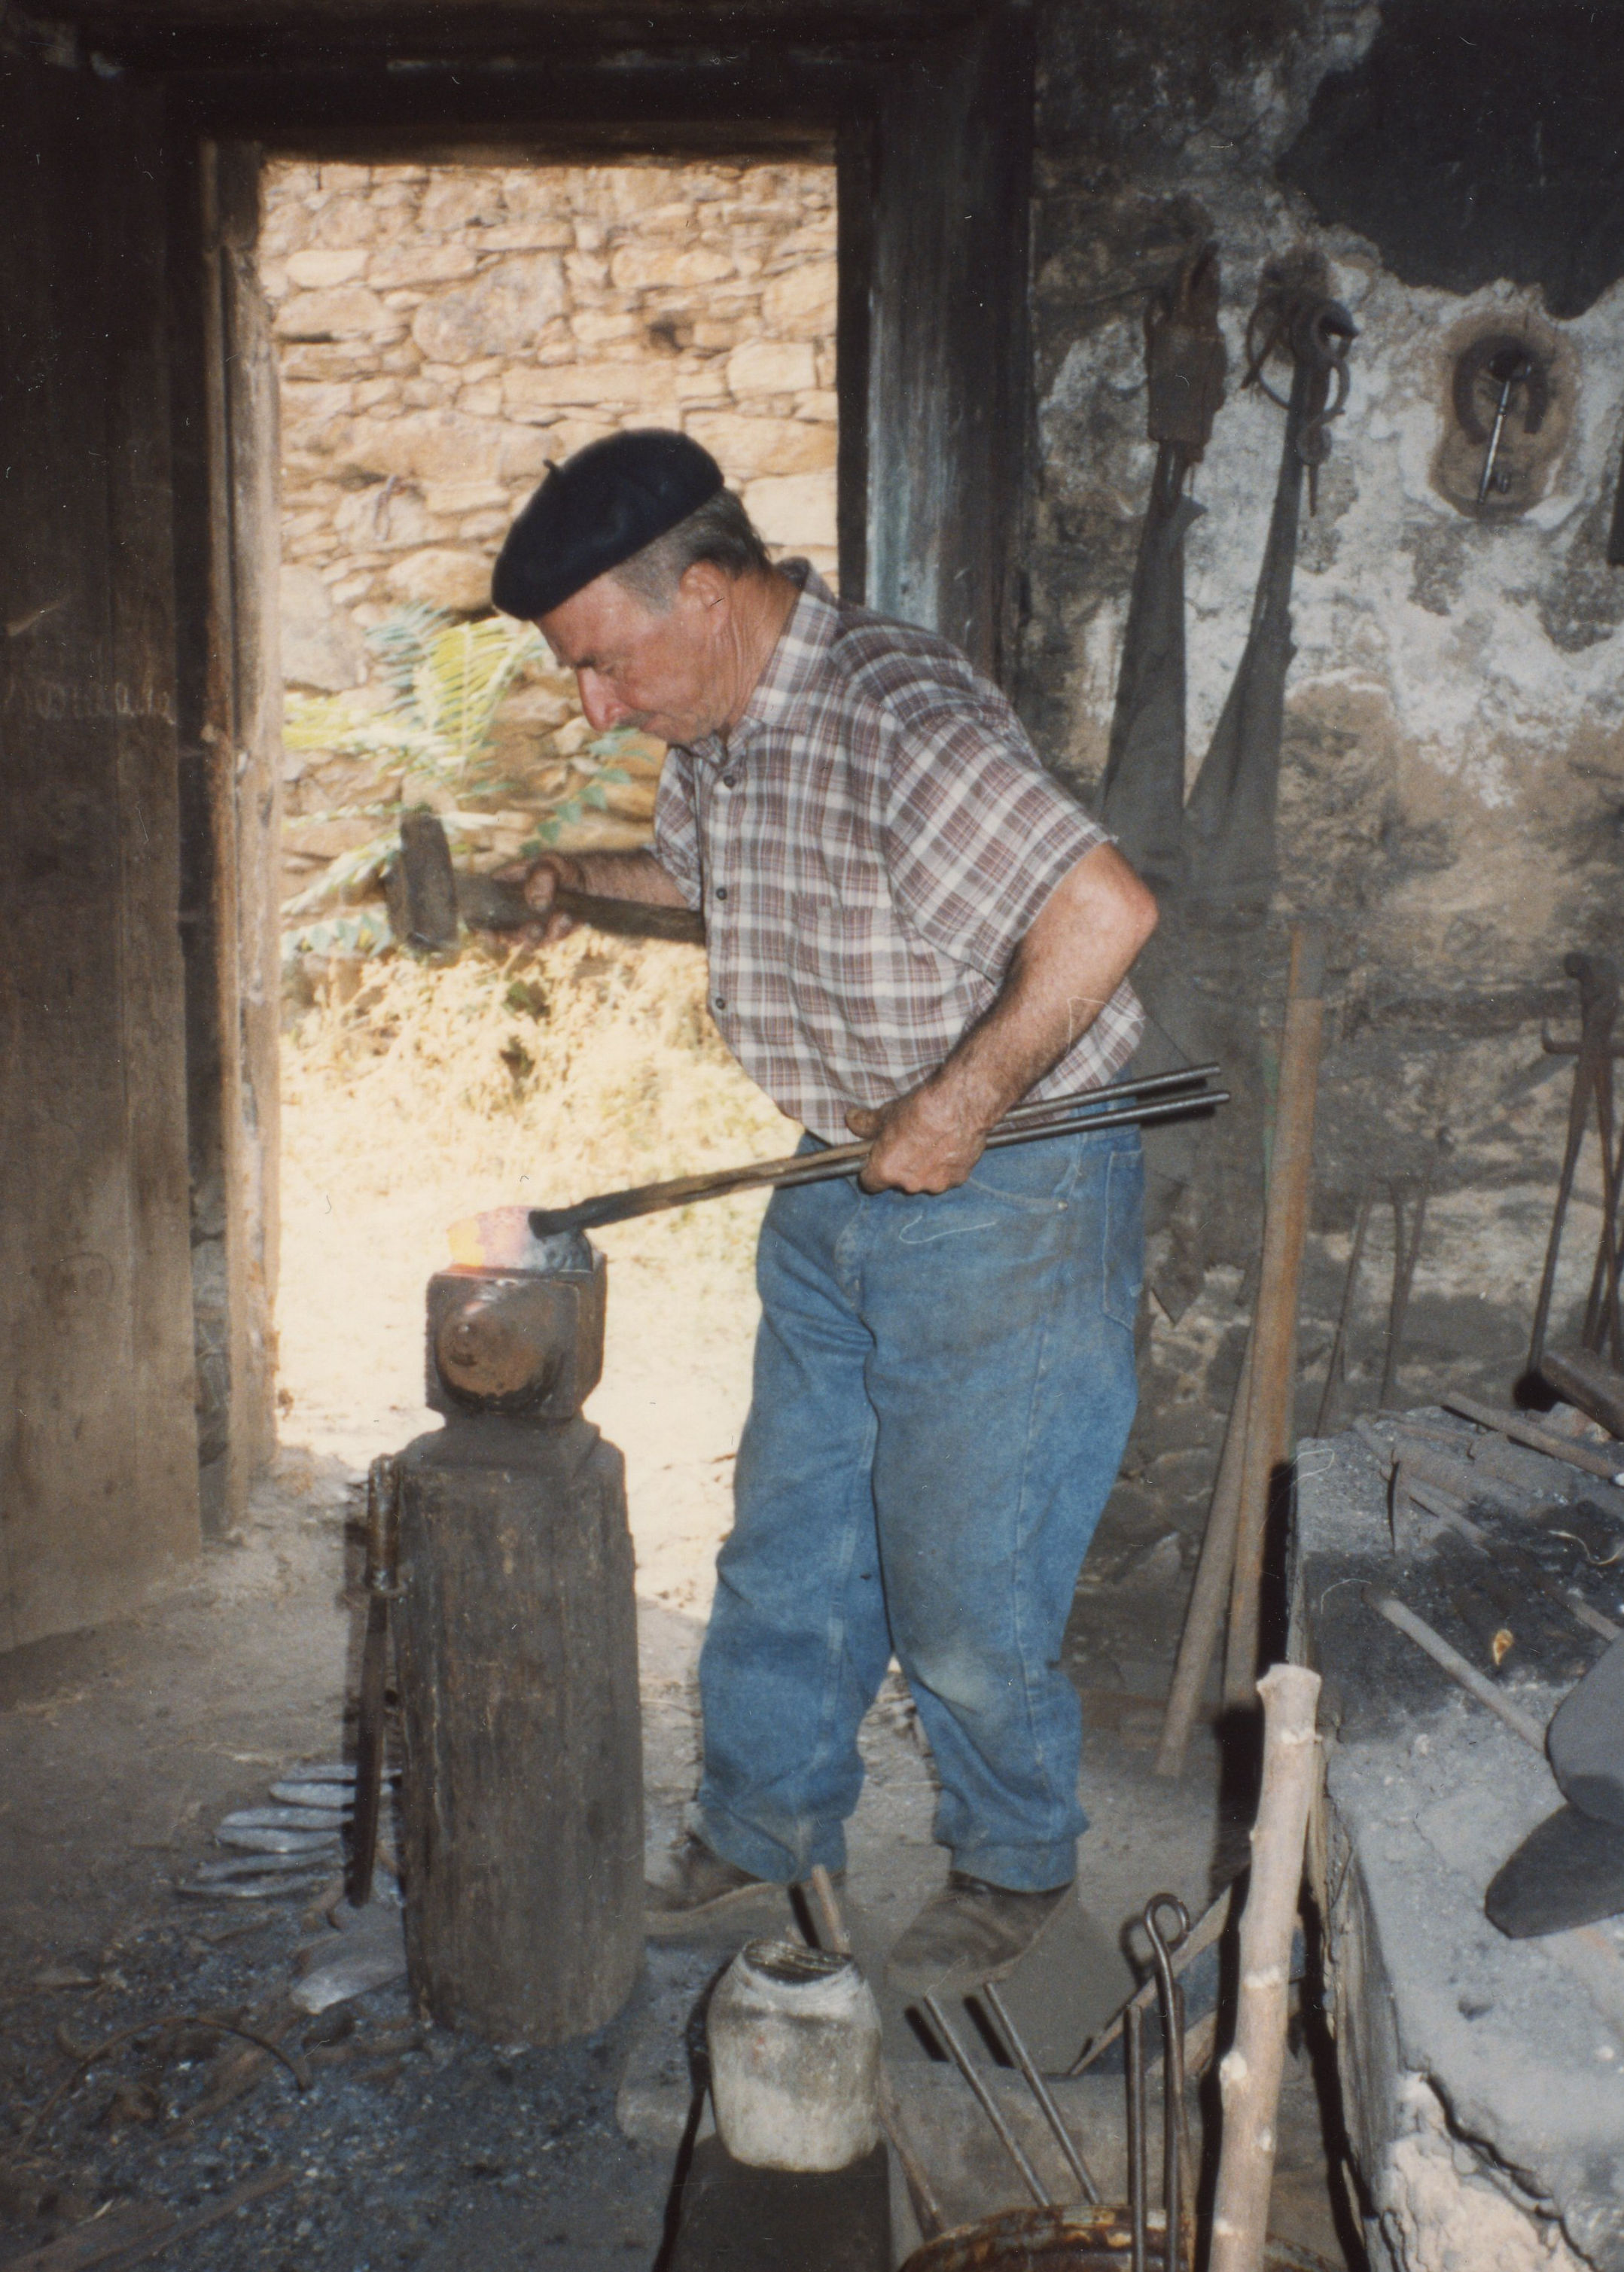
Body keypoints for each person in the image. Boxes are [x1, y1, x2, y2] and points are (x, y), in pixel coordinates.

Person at [490, 430, 1157, 1993]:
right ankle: (765, 1824)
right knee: (788, 1548)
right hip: (833, 1183)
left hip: (1011, 1194)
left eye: (602, 666)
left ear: (705, 592)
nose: (596, 707)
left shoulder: (889, 712)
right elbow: (720, 889)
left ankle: (1011, 1859)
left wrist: (961, 1099)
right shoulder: (721, 723)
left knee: (966, 1590)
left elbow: (1103, 909)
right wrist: (567, 883)